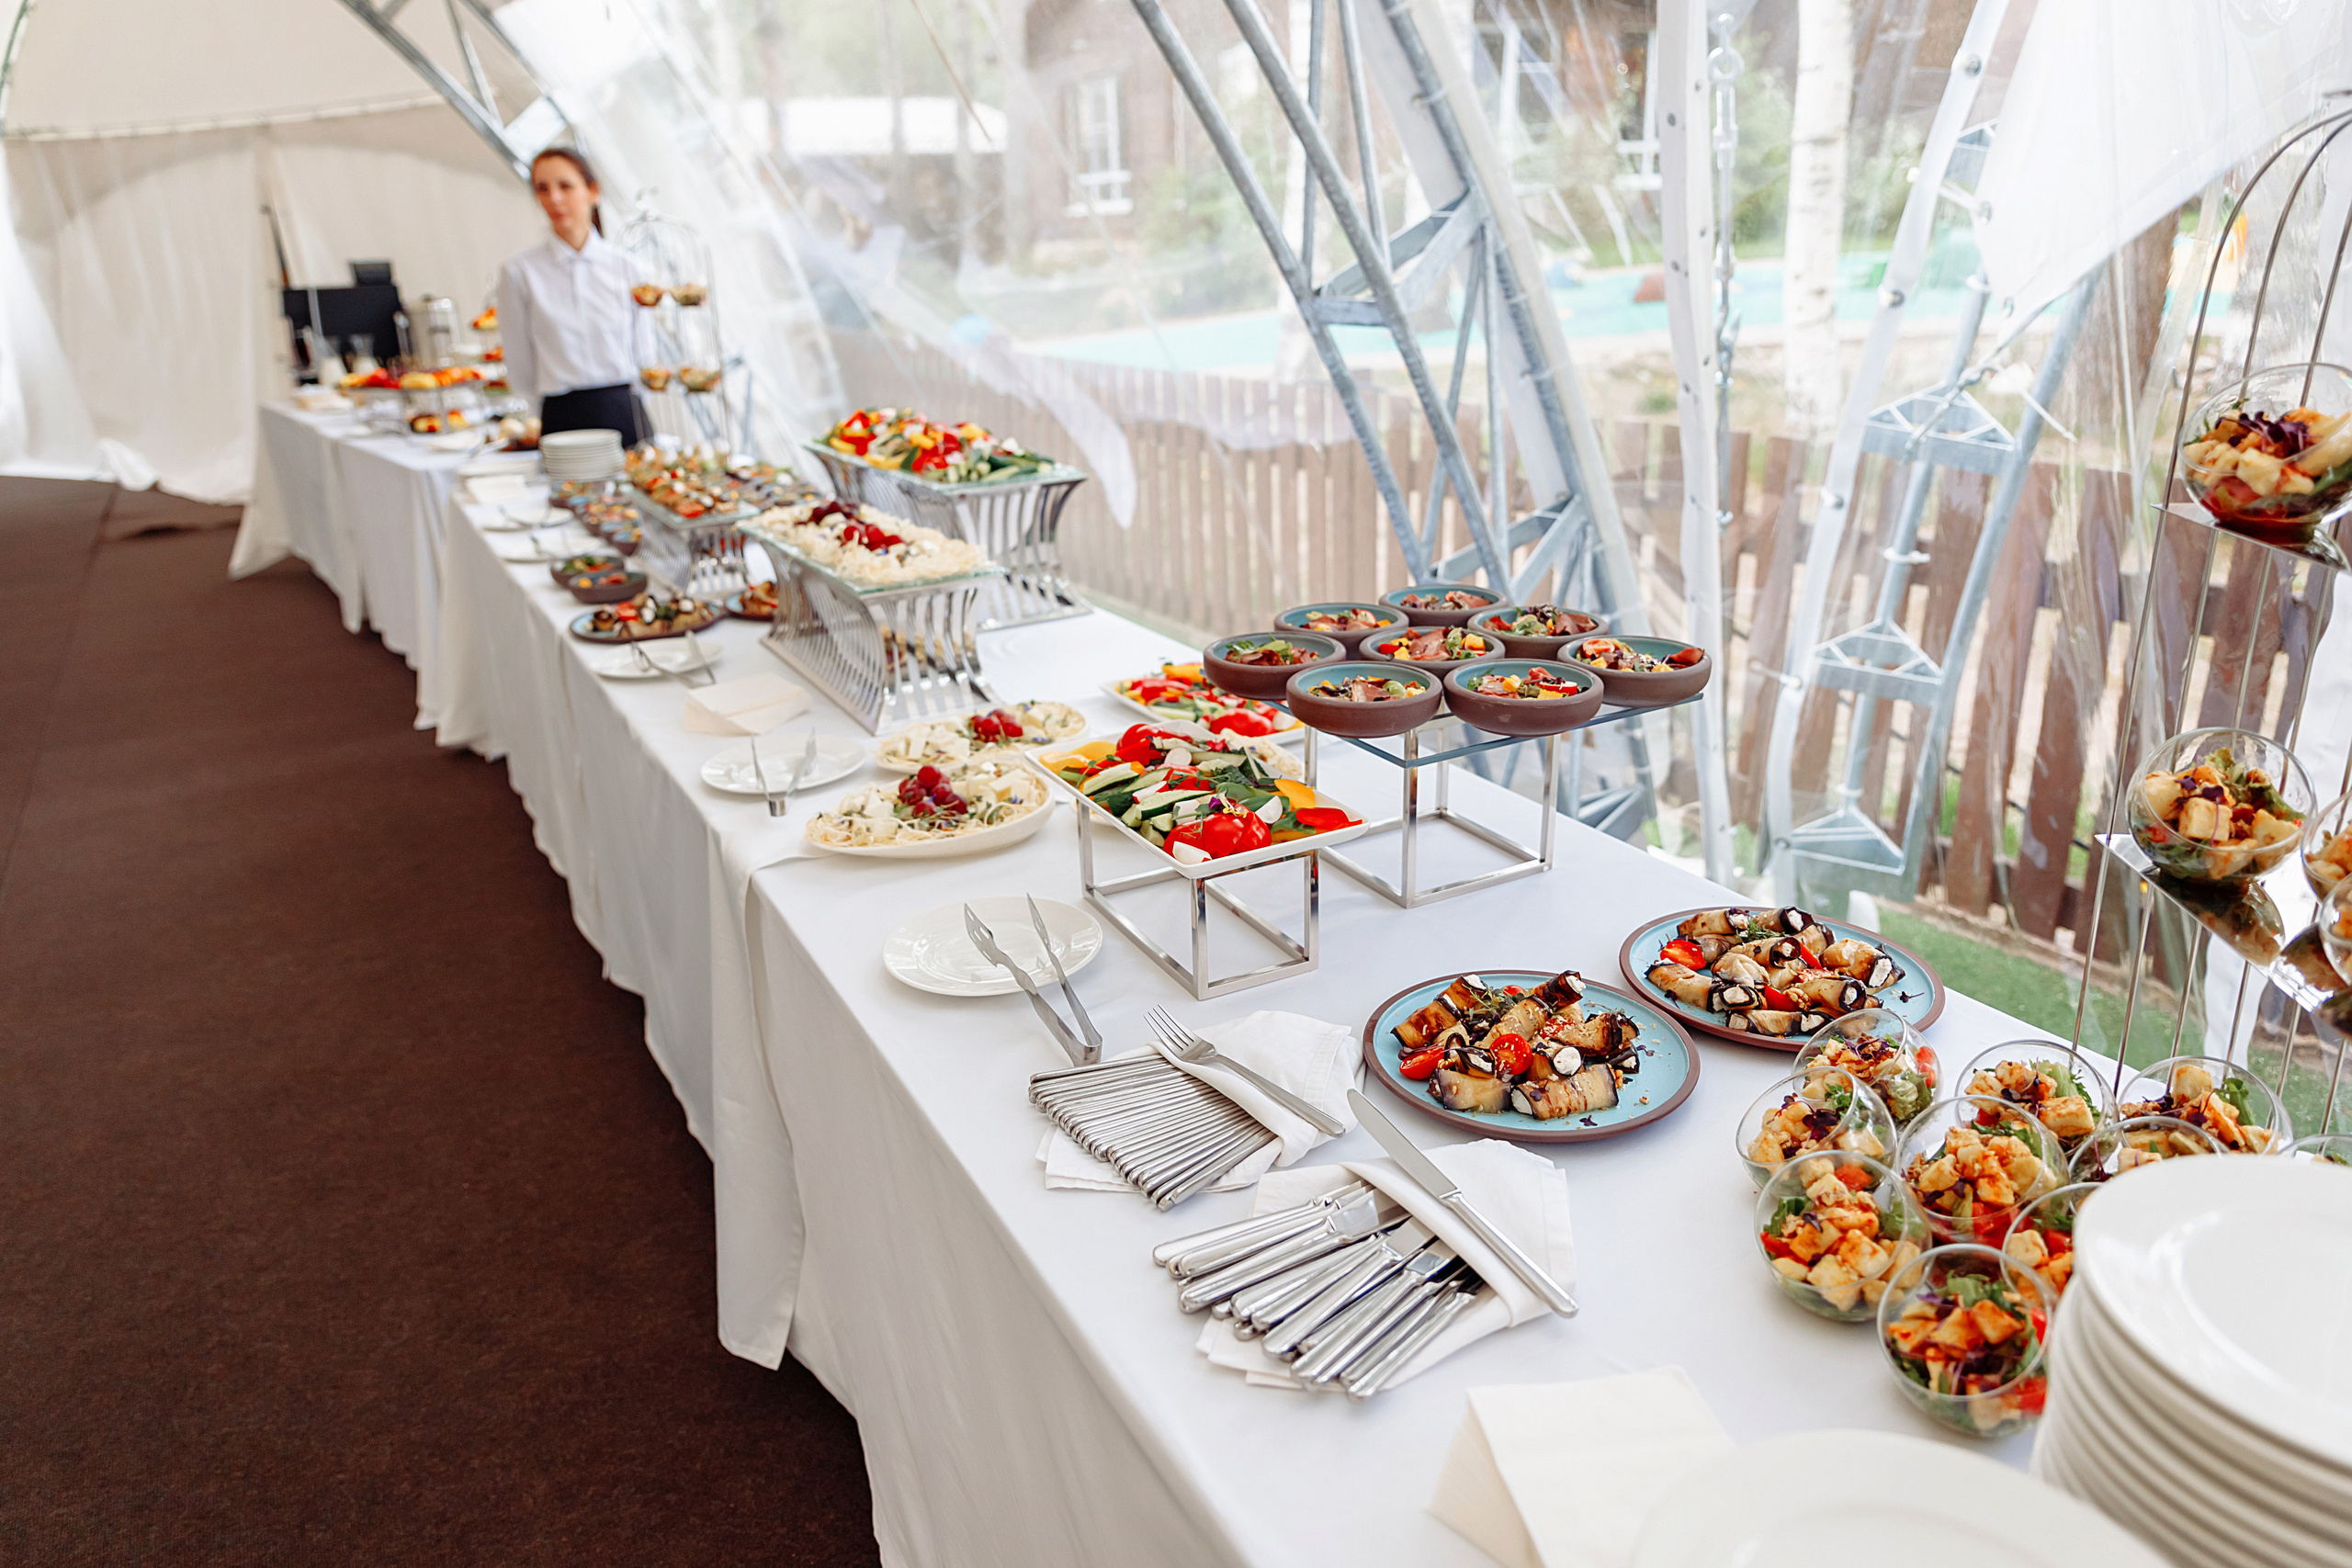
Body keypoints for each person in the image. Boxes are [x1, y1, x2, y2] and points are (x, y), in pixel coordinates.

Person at [497, 148, 642, 440]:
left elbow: (645, 351)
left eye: (565, 186)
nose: (555, 199)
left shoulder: (629, 268)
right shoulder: (519, 272)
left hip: (624, 409)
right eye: (542, 189)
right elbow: (518, 358)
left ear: (593, 191)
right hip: (561, 415)